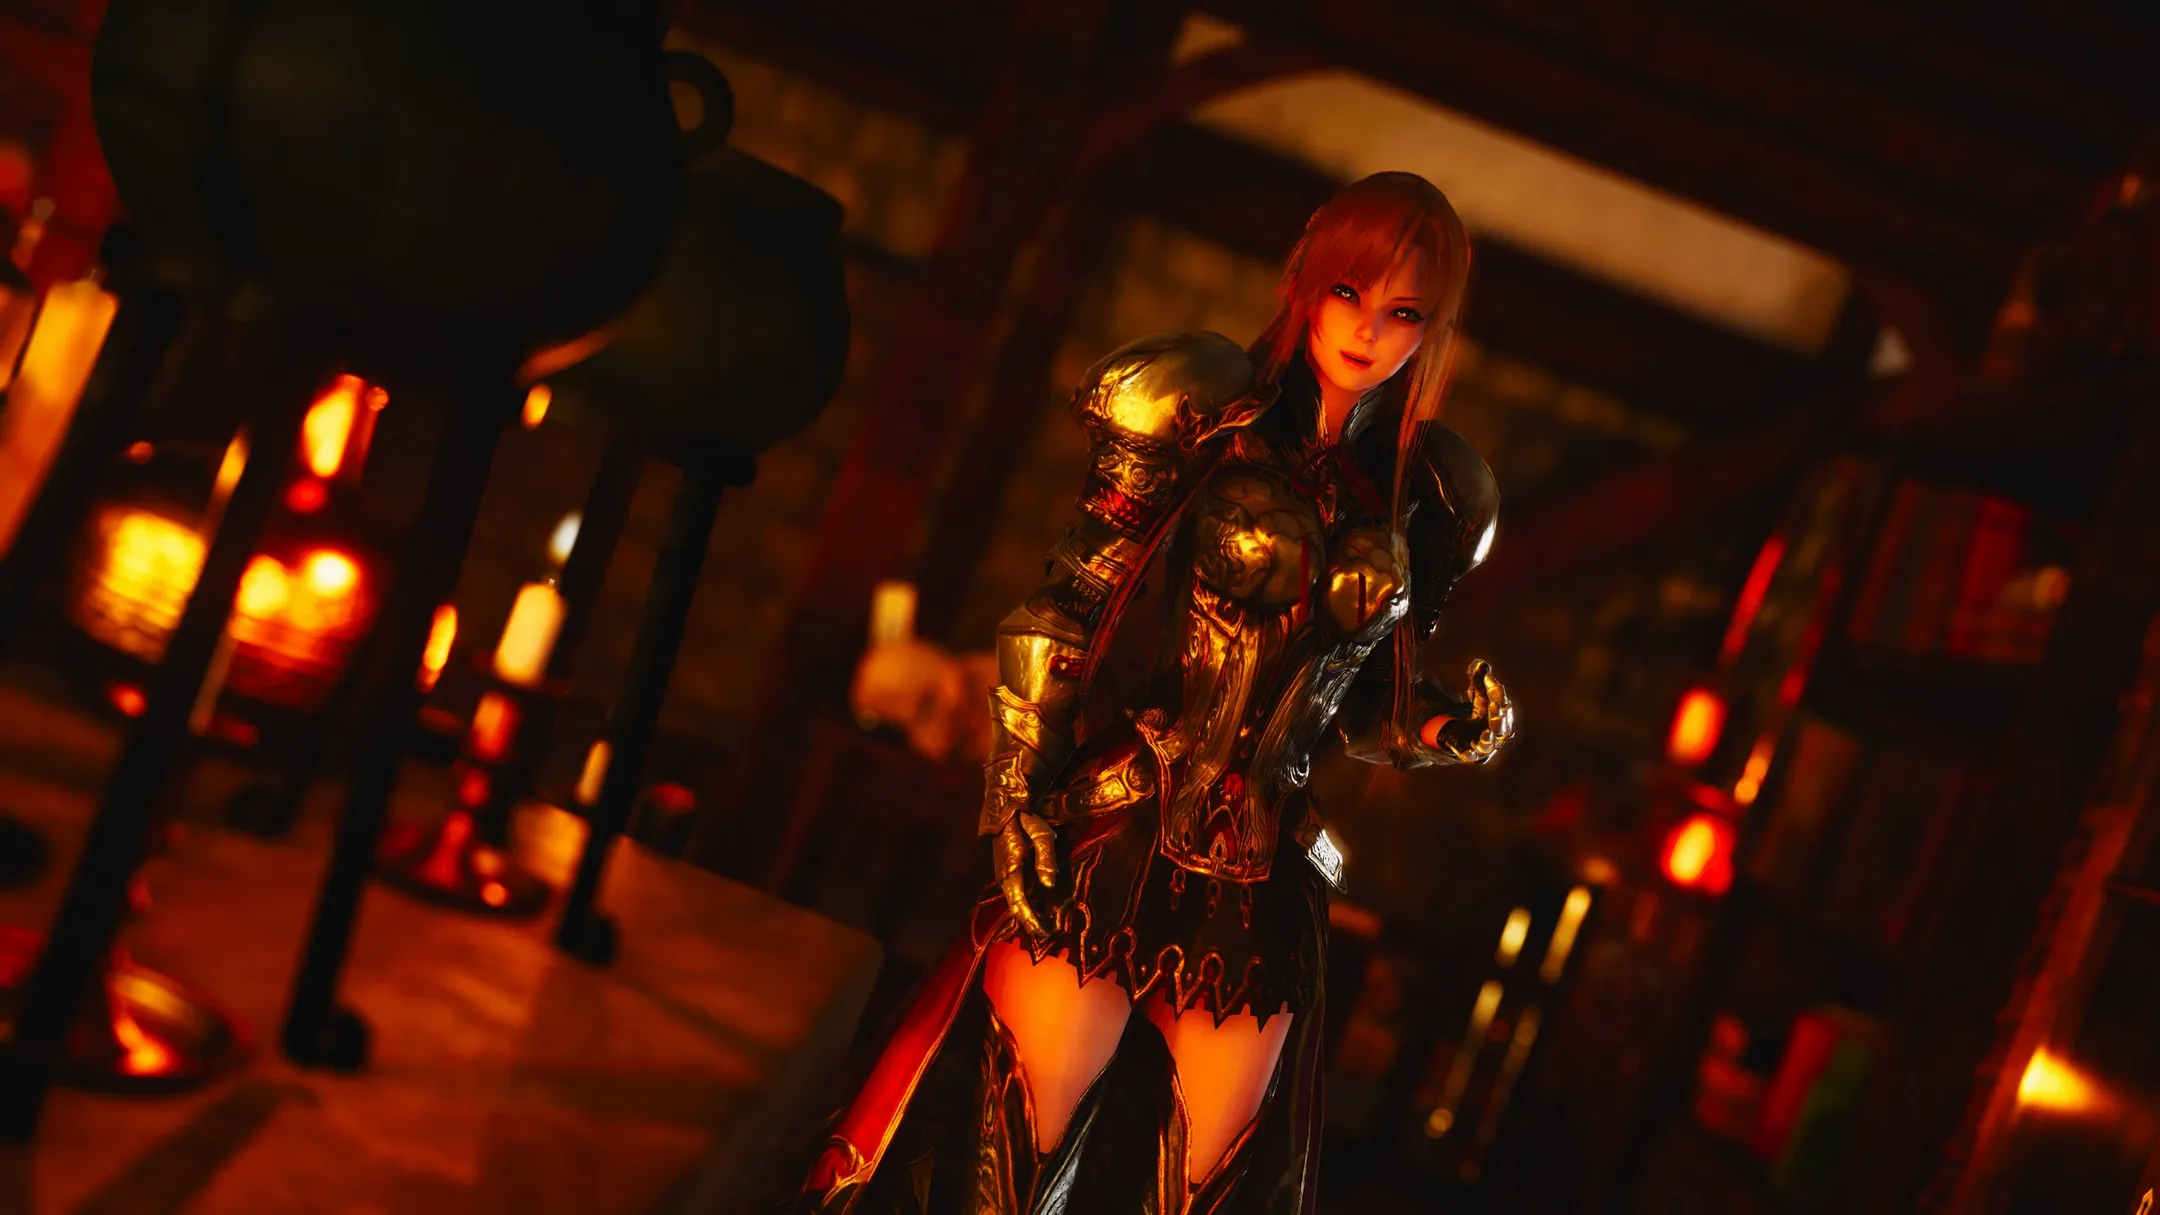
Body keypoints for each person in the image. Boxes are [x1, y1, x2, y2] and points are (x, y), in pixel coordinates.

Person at [794, 171, 1515, 1214]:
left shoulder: (1432, 497)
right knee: (1010, 1167)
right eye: (1349, 292)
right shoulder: (1200, 407)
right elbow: (1066, 609)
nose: (1367, 330)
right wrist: (1017, 796)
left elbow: (1366, 706)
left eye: (1403, 312)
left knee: (1212, 1190)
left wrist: (1448, 725)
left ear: (1433, 329)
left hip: (1264, 869)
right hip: (1127, 816)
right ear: (1306, 278)